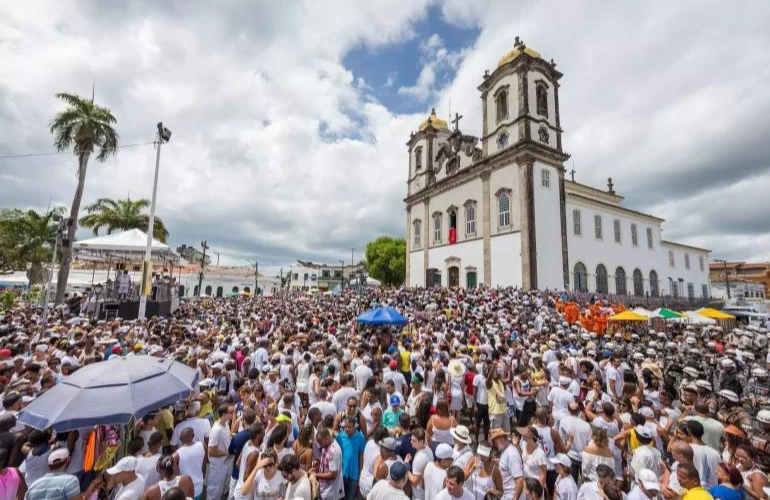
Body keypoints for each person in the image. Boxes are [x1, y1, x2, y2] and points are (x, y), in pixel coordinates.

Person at [24, 448, 101, 500]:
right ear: (68, 461)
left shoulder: (33, 486)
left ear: (49, 465)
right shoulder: (70, 480)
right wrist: (93, 485)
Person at [208, 404, 234, 500]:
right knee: (214, 492)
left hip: (225, 464)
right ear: (224, 414)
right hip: (217, 466)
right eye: (230, 413)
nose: (232, 414)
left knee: (221, 490)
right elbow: (211, 451)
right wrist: (227, 453)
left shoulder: (226, 424)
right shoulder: (216, 430)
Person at [335, 417, 365, 500]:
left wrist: (360, 472)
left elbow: (361, 455)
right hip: (342, 473)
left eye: (349, 427)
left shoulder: (360, 437)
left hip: (354, 473)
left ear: (354, 426)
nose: (347, 429)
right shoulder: (339, 437)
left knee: (351, 497)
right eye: (345, 427)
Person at [491, 429, 524, 500]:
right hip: (507, 495)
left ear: (502, 439)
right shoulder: (505, 450)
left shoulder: (511, 454)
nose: (495, 444)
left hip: (512, 495)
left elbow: (520, 480)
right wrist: (497, 462)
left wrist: (514, 498)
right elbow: (507, 465)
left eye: (495, 441)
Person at [172, 429, 205, 500]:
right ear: (193, 436)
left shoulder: (176, 455)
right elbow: (204, 464)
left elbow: (176, 475)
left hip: (185, 488)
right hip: (199, 485)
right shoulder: (202, 445)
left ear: (180, 439)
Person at [312, 427, 344, 500]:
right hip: (324, 489)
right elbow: (325, 461)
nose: (319, 445)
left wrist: (315, 475)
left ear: (327, 438)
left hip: (332, 493)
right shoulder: (326, 445)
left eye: (320, 442)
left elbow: (332, 475)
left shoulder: (335, 451)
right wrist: (317, 465)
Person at [406, 428, 434, 500]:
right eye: (411, 439)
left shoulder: (419, 458)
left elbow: (415, 481)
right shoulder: (428, 449)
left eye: (414, 440)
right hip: (425, 491)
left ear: (421, 442)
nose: (411, 442)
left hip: (419, 495)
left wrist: (406, 466)